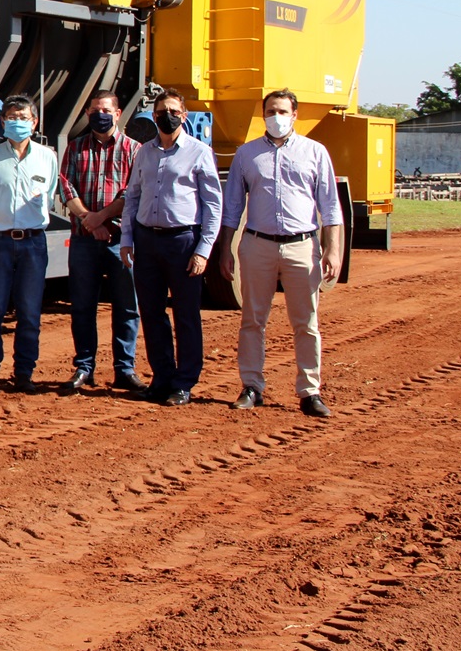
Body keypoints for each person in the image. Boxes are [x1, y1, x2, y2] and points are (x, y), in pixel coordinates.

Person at [217, 89, 345, 418]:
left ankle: (309, 390)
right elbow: (232, 208)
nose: (277, 117)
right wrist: (225, 250)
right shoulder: (246, 155)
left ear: (295, 114)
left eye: (283, 111)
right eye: (271, 111)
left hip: (302, 245)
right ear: (263, 115)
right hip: (257, 244)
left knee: (306, 322)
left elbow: (330, 207)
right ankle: (251, 386)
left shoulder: (315, 153)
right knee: (253, 320)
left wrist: (333, 249)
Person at [119, 90, 223, 406]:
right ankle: (161, 378)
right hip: (147, 240)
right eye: (162, 110)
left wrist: (204, 249)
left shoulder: (199, 152)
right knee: (151, 313)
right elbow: (132, 196)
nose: (168, 115)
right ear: (154, 116)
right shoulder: (144, 153)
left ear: (184, 115)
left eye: (174, 110)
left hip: (183, 242)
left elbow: (213, 204)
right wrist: (126, 238)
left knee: (186, 314)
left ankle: (184, 382)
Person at [57, 90, 143, 394]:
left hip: (121, 242)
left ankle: (125, 369)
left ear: (117, 114)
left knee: (126, 307)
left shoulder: (135, 150)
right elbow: (66, 186)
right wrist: (88, 221)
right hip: (84, 241)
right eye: (93, 109)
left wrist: (102, 219)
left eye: (104, 109)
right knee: (82, 306)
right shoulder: (75, 147)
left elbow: (132, 193)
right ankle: (84, 367)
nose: (99, 114)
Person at [0, 95, 59, 393]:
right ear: (2, 121)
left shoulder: (47, 157)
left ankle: (24, 372)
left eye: (24, 118)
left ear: (34, 123)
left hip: (33, 244)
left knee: (29, 312)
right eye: (12, 117)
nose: (18, 122)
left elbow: (49, 193)